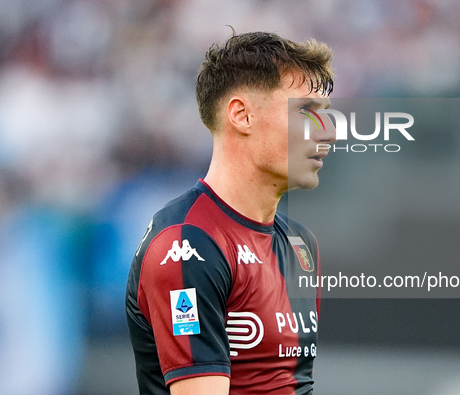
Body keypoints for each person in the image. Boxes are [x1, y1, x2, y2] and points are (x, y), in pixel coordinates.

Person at [126, 31, 336, 395]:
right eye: (306, 112)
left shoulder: (302, 245)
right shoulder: (186, 244)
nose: (328, 132)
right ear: (241, 115)